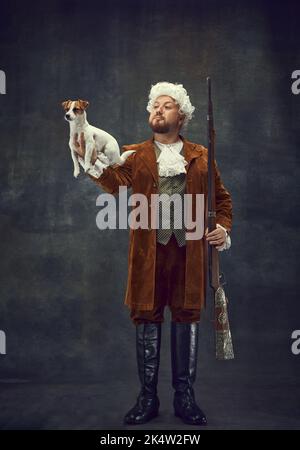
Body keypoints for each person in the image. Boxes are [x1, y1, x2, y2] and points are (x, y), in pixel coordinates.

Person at [73, 81, 233, 426]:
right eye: (153, 106)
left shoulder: (201, 156)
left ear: (182, 115)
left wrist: (223, 228)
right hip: (149, 254)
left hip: (189, 253)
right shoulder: (135, 154)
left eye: (166, 105)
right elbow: (114, 183)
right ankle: (147, 397)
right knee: (146, 317)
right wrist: (89, 158)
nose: (156, 110)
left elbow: (221, 200)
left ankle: (184, 397)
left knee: (187, 316)